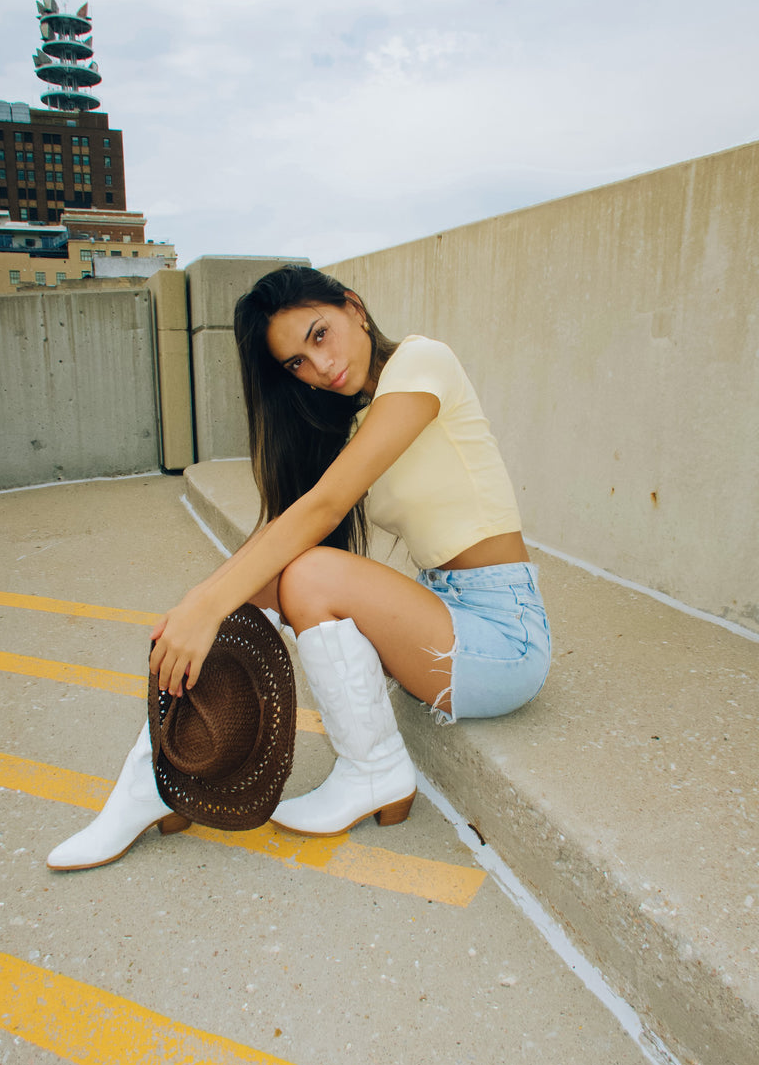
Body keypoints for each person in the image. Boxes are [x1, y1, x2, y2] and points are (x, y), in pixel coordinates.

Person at [46, 265, 550, 870]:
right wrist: (201, 604)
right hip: (446, 613)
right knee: (270, 575)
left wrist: (205, 607)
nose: (320, 366)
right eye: (296, 364)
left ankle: (373, 771)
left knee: (305, 573)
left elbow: (326, 507)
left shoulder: (424, 363)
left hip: (504, 637)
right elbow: (285, 531)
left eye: (320, 334)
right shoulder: (352, 421)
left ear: (354, 308)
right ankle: (156, 778)